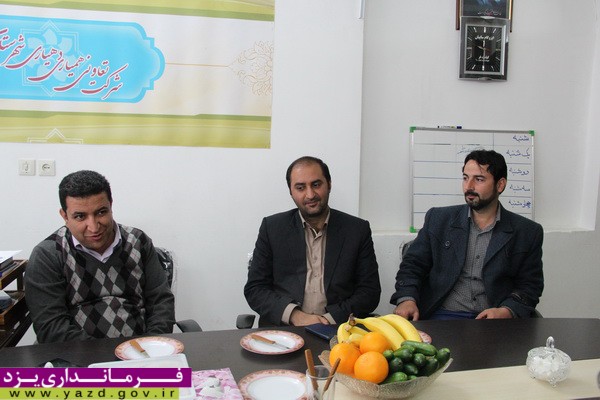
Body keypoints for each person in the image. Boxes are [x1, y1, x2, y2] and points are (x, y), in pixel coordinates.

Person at [390, 150, 544, 320]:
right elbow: (412, 265)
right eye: (465, 178)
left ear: (500, 185)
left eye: (479, 179)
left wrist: (506, 311)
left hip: (493, 320)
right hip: (441, 316)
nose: (469, 186)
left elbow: (530, 286)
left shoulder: (527, 232)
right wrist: (407, 299)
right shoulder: (438, 219)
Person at [25, 170, 175, 343]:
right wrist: (105, 353)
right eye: (80, 216)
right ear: (64, 216)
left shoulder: (139, 242)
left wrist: (151, 345)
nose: (94, 227)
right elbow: (51, 327)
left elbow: (161, 303)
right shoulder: (48, 255)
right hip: (79, 355)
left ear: (111, 205)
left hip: (142, 351)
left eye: (101, 212)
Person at [244, 156, 381, 327]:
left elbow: (369, 292)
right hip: (284, 330)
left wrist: (328, 319)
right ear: (291, 191)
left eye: (316, 185)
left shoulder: (357, 230)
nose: (310, 195)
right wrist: (294, 315)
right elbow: (255, 289)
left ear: (329, 184)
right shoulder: (272, 228)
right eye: (300, 187)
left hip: (339, 328)